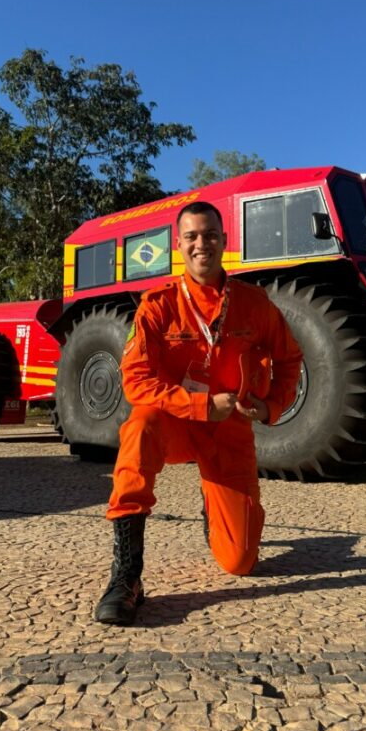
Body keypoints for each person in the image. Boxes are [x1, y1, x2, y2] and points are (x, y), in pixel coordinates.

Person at [95, 201, 303, 625]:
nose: (200, 244)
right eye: (191, 236)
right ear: (179, 245)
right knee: (139, 427)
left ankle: (218, 507)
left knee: (240, 562)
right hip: (175, 423)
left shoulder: (255, 304)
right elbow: (134, 380)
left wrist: (271, 406)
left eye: (209, 235)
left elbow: (290, 358)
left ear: (225, 241)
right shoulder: (156, 306)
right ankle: (127, 578)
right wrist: (199, 405)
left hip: (229, 429)